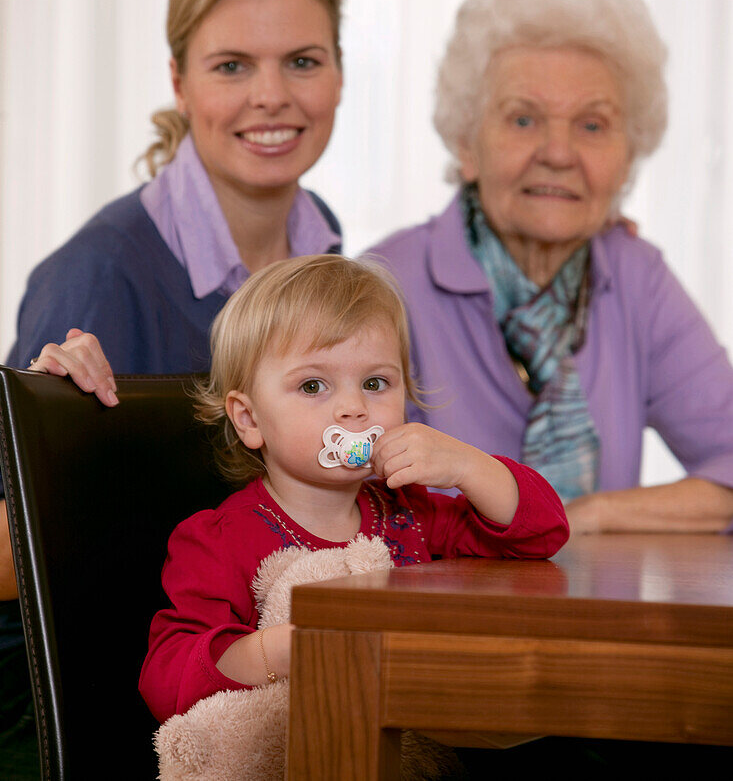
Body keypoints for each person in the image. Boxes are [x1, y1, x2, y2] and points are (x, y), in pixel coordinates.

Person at [0, 0, 346, 772]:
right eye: (232, 66)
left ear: (339, 71)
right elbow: (7, 556)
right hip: (92, 704)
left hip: (250, 676)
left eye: (303, 60)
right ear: (180, 82)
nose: (274, 96)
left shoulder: (327, 251)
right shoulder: (97, 276)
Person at [368, 0, 733, 534]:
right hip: (431, 614)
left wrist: (588, 515)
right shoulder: (386, 283)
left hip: (592, 612)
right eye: (523, 120)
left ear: (628, 158)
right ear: (466, 142)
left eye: (592, 125)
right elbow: (339, 499)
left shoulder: (635, 277)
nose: (558, 153)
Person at [138, 254, 568, 721]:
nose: (353, 407)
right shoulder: (217, 540)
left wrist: (468, 465)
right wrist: (280, 651)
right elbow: (167, 683)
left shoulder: (412, 512)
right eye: (312, 386)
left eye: (375, 382)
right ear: (250, 418)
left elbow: (542, 534)